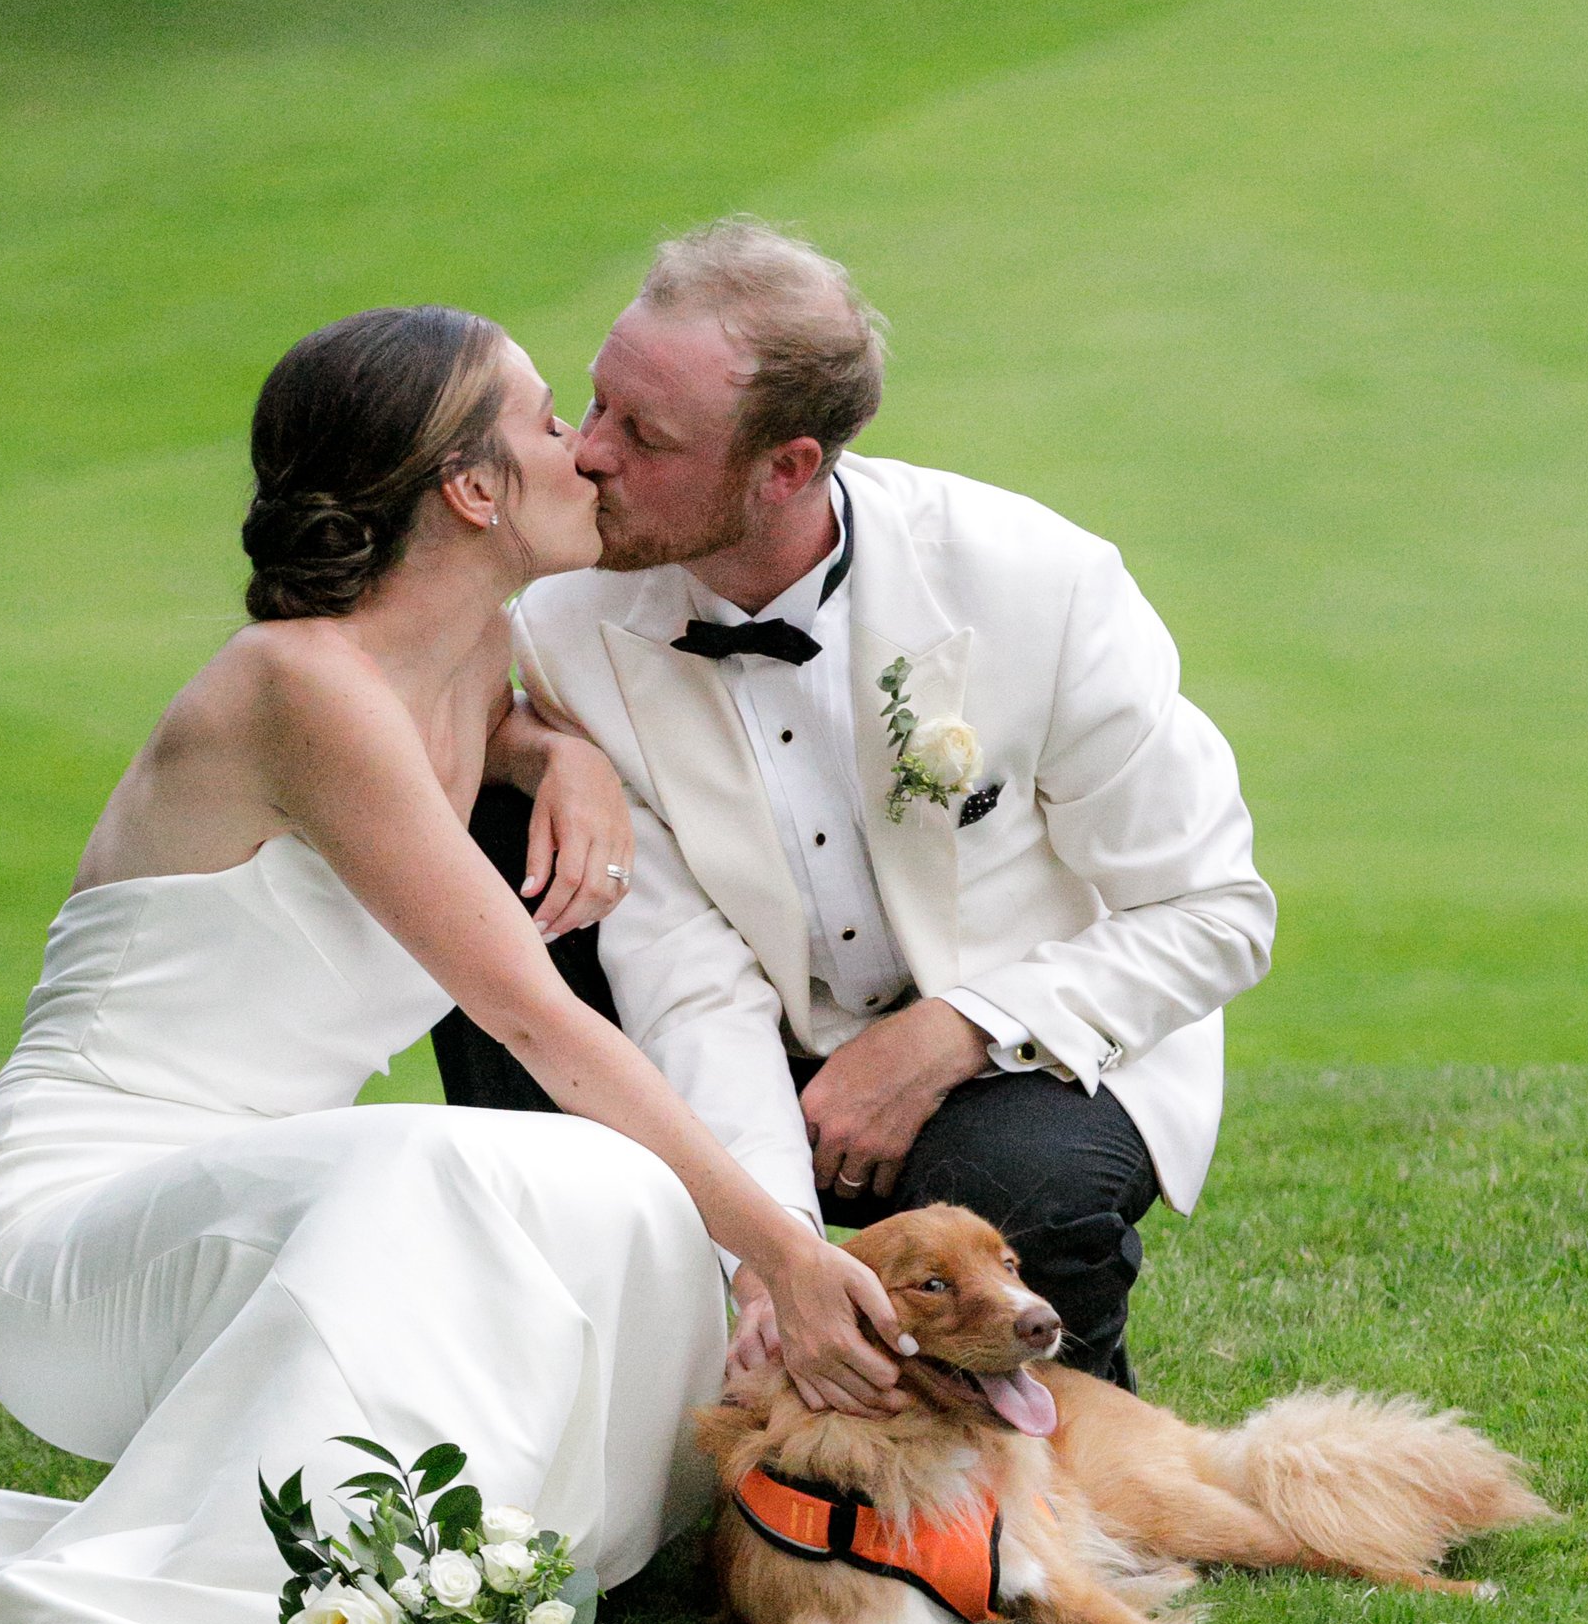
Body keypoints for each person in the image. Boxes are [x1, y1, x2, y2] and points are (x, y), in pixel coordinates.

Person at [0, 307, 906, 1624]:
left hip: (275, 1213)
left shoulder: (472, 663)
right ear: (469, 490)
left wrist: (556, 751)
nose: (584, 449)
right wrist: (786, 1251)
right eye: (546, 421)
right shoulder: (292, 685)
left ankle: (482, 1580)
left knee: (613, 1192)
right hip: (80, 1229)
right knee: (456, 1157)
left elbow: (475, 720)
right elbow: (533, 1017)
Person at [431, 222, 1275, 1391]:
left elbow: (1215, 912)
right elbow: (685, 973)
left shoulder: (1041, 581)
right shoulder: (565, 620)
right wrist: (768, 1249)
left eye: (646, 434)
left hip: (1018, 1052)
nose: (589, 456)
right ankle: (599, 1410)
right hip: (743, 1046)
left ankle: (1051, 1462)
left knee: (1015, 1193)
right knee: (494, 838)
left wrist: (952, 1031)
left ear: (785, 467)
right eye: (596, 404)